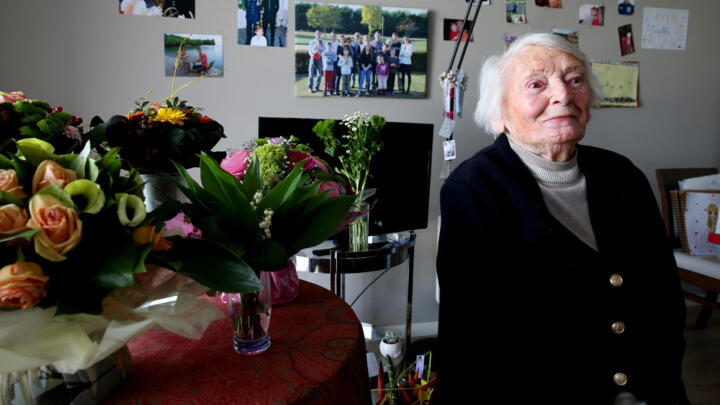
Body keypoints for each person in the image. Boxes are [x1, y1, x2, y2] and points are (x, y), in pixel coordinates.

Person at [436, 33, 690, 404]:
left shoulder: (623, 174)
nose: (563, 95)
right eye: (536, 84)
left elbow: (664, 299)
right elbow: (473, 336)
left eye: (575, 80)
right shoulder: (473, 188)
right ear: (499, 114)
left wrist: (655, 386)